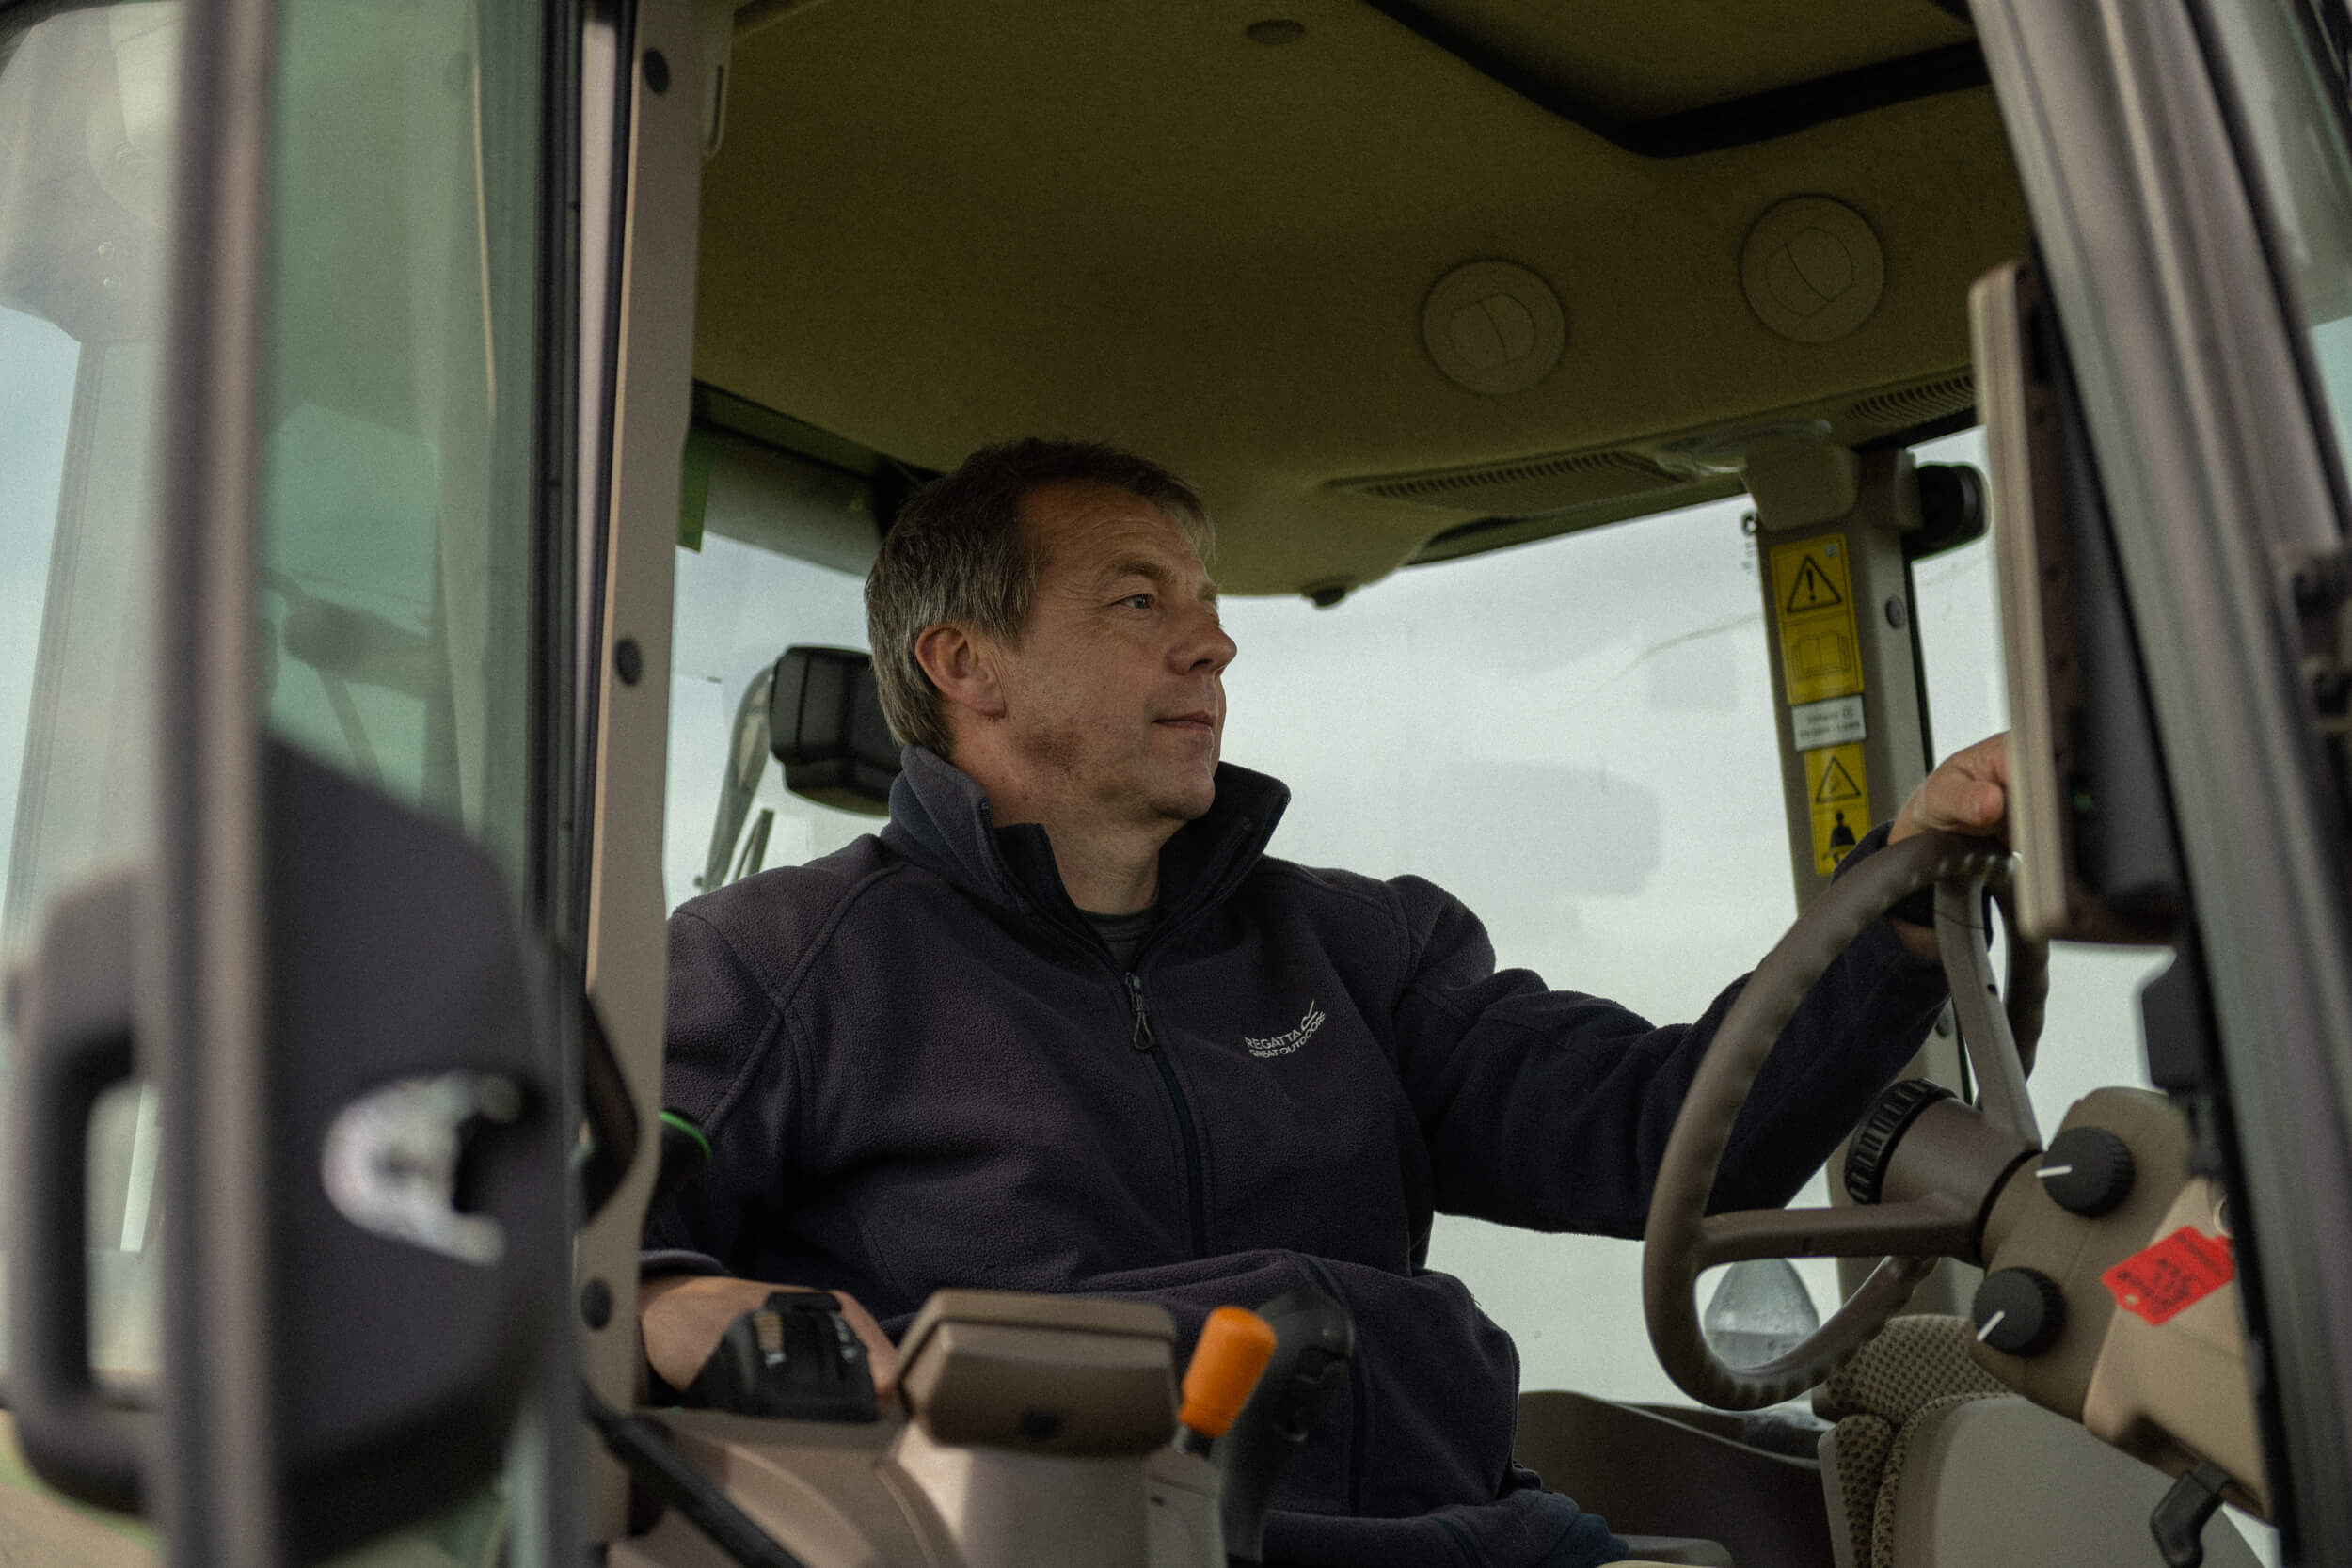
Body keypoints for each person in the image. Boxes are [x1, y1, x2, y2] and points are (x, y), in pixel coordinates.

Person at [641, 437, 2009, 1568]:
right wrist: (669, 1293)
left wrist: (1889, 911)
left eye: (1205, 602)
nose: (1214, 645)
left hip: (1478, 1540)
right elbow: (570, 1228)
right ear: (965, 664)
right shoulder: (779, 963)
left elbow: (1666, 1136)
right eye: (1140, 603)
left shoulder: (1356, 945)